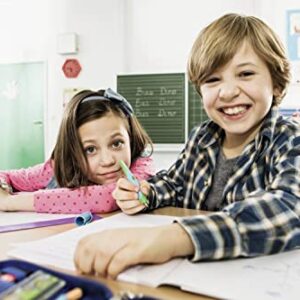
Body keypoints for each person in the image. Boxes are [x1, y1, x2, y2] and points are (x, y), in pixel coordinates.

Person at [74, 13, 300, 278]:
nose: (227, 92)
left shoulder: (288, 139)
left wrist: (176, 238)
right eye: (213, 80)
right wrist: (145, 192)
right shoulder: (202, 138)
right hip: (189, 275)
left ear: (275, 82)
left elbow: (290, 206)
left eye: (246, 73)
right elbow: (174, 184)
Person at [0, 88, 154, 213]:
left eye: (116, 144)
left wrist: (9, 202)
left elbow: (107, 197)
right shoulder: (61, 166)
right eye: (90, 149)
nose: (108, 160)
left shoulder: (142, 167)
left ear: (131, 138)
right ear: (72, 153)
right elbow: (7, 176)